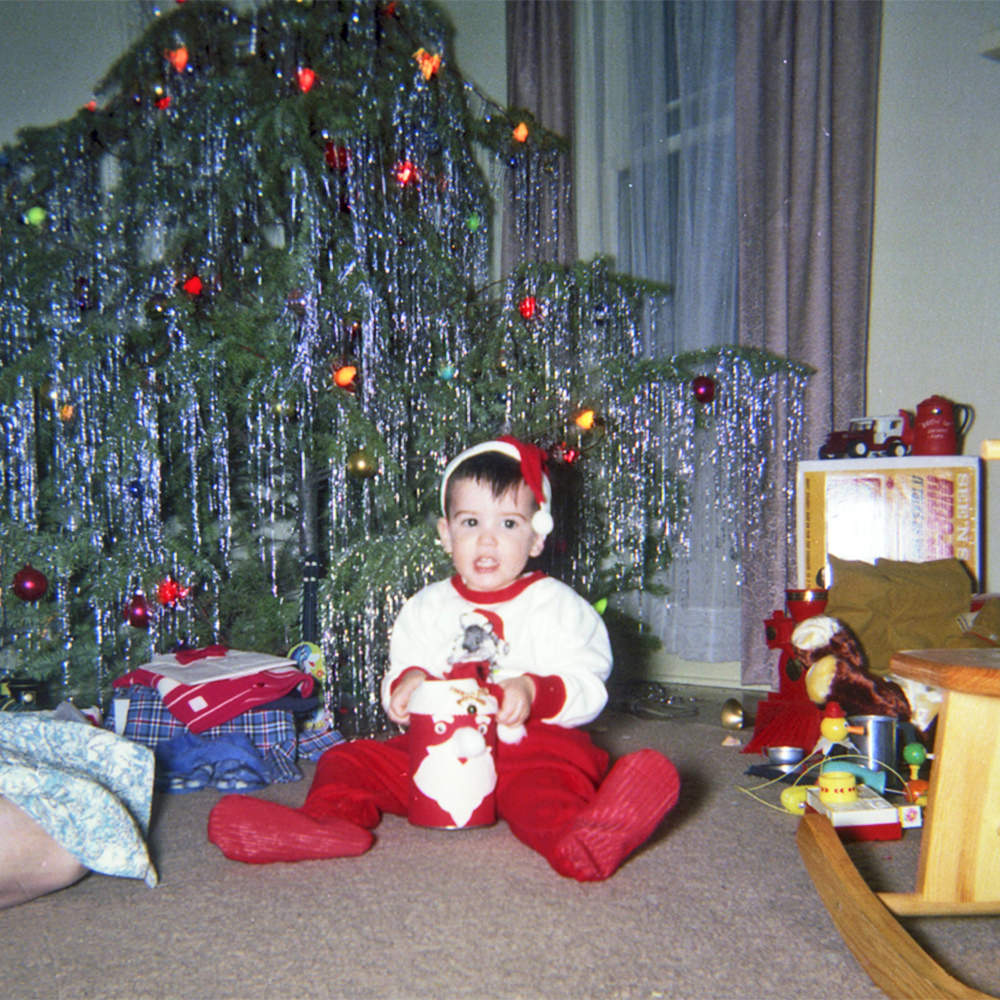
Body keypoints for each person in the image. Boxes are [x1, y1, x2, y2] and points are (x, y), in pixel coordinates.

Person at [208, 436, 680, 881]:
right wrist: (406, 685)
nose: (488, 540)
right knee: (348, 761)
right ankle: (325, 824)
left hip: (528, 749)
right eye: (471, 523)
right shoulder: (427, 605)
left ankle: (581, 839)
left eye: (508, 523)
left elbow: (587, 678)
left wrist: (535, 691)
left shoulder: (556, 605)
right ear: (446, 533)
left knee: (548, 793)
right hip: (435, 751)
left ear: (536, 538)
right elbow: (406, 663)